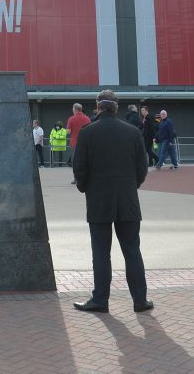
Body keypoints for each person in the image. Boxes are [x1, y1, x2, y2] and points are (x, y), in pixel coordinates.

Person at [71, 93, 153, 314]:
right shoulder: (133, 132)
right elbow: (142, 168)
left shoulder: (88, 132)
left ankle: (100, 300)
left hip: (99, 201)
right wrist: (130, 186)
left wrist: (85, 188)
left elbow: (79, 167)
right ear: (116, 108)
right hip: (127, 200)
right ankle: (140, 300)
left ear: (98, 107)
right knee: (132, 251)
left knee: (101, 252)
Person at [65, 103, 91, 185]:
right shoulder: (87, 119)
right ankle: (86, 177)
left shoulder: (71, 119)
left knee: (75, 161)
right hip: (86, 143)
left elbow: (68, 132)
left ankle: (76, 178)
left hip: (75, 143)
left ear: (75, 109)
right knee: (86, 160)